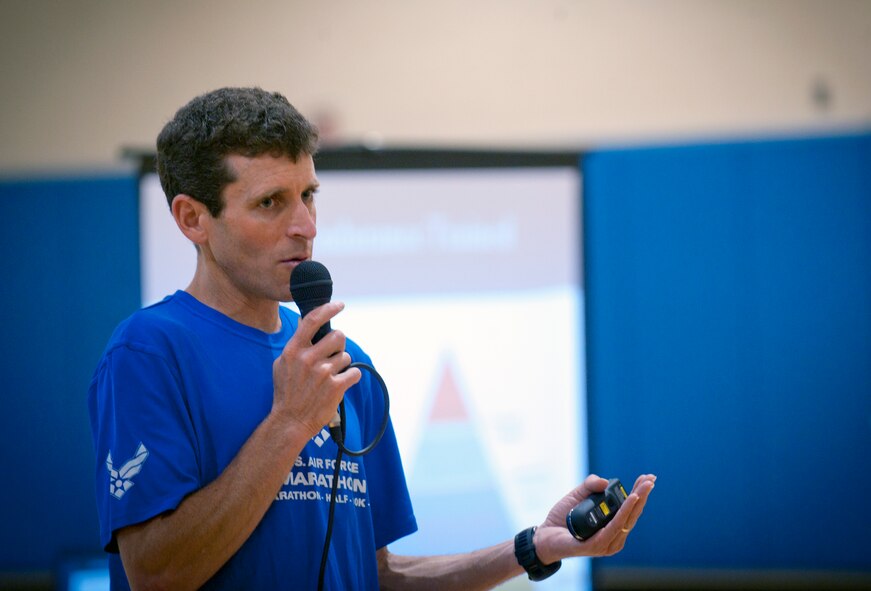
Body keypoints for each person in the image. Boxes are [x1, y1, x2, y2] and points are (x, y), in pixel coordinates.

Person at [88, 87, 655, 590]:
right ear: (192, 219)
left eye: (308, 195)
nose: (305, 226)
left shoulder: (347, 366)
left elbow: (379, 574)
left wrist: (531, 548)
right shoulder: (149, 352)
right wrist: (288, 423)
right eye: (270, 202)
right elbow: (156, 575)